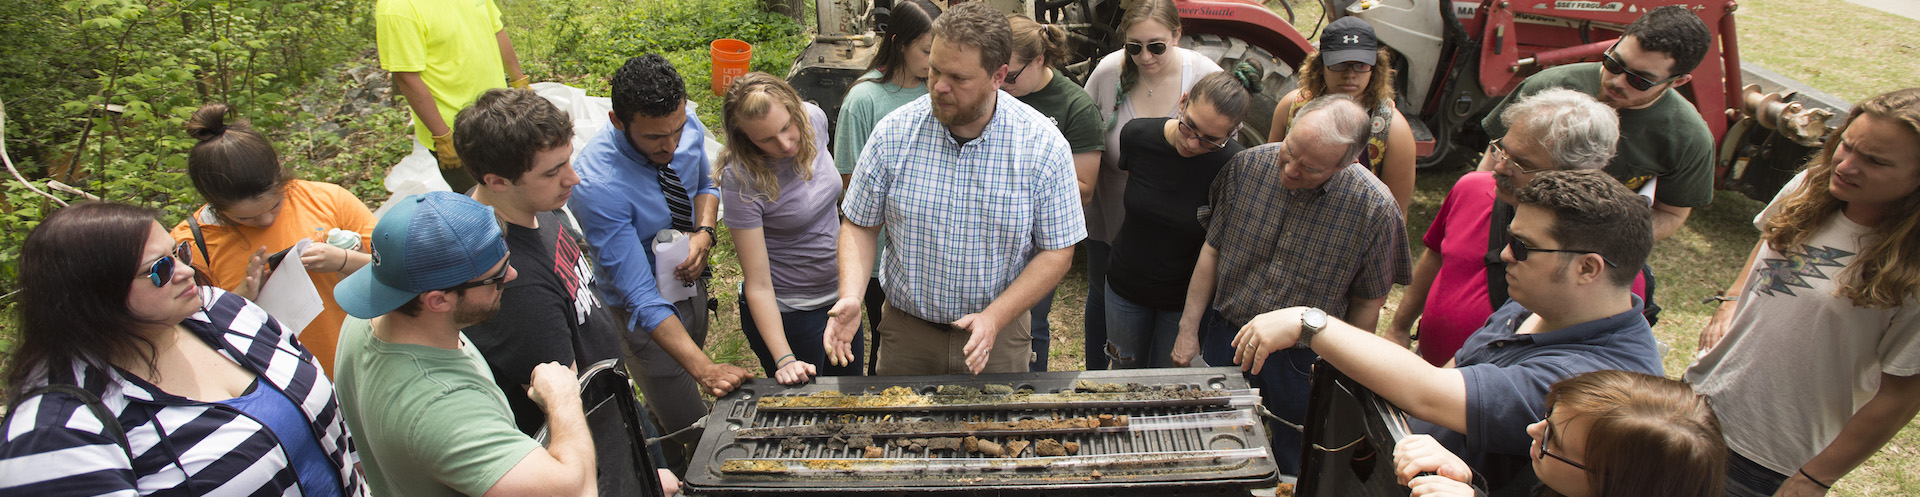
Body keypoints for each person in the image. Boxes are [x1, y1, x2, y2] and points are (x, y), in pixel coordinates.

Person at [1232, 169, 1662, 495]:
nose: (1504, 254)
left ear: (1587, 268)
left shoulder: (1597, 379)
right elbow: (1453, 369)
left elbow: (1430, 391)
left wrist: (1310, 323)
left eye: (1525, 248)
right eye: (1511, 237)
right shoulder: (1538, 304)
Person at [0, 202, 362, 496]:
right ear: (92, 297)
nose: (186, 272)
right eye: (159, 269)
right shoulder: (56, 431)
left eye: (179, 253)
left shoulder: (221, 310)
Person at [825, 1, 1085, 376]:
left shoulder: (1042, 146)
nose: (938, 87)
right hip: (906, 335)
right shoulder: (893, 133)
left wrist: (994, 318)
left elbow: (1058, 251)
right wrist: (850, 294)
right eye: (934, 69)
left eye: (958, 78)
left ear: (998, 76)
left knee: (994, 435)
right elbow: (859, 225)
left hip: (997, 338)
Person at [1687, 87, 1920, 497]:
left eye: (1875, 161)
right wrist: (1731, 300)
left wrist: (1815, 477)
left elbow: (1901, 396)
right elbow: (1770, 239)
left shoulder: (1913, 270)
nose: (1845, 166)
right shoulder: (1811, 185)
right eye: (1846, 146)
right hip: (1692, 406)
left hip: (1762, 458)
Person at [1177, 94, 1411, 473]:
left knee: (1295, 455)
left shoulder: (1374, 210)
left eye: (1311, 168)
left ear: (1347, 162)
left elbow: (1368, 304)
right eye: (1290, 151)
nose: (1290, 170)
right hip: (1229, 336)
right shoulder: (1247, 167)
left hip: (1305, 361)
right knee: (1216, 440)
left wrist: (1343, 378)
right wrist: (1188, 330)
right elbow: (1212, 251)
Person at [333, 192, 596, 497]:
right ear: (438, 300)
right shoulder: (441, 407)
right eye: (496, 276)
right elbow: (577, 491)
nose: (512, 275)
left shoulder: (367, 319)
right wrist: (563, 397)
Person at [570, 54, 751, 464]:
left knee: (667, 402)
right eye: (655, 138)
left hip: (689, 284)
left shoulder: (681, 126)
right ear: (618, 121)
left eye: (678, 128)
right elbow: (639, 294)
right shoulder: (597, 186)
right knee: (697, 427)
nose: (671, 144)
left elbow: (706, 181)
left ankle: (663, 457)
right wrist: (705, 369)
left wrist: (704, 232)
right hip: (644, 315)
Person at [1388, 89, 1618, 365]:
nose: (1499, 167)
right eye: (1501, 150)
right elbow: (1436, 257)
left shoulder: (1603, 254)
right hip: (1427, 370)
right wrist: (1399, 328)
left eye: (1521, 163)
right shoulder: (1470, 189)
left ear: (1571, 174)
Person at [453, 88, 623, 435]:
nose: (573, 178)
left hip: (612, 390)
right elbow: (573, 407)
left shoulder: (532, 205)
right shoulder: (514, 282)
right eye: (552, 172)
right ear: (497, 181)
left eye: (568, 160)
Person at [169, 103, 377, 376]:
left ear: (280, 173)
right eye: (246, 219)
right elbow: (188, 334)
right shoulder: (190, 245)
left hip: (363, 361)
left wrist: (345, 260)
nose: (266, 221)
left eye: (274, 206)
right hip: (281, 379)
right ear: (214, 204)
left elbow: (400, 267)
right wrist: (242, 297)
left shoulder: (327, 200)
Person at [1479, 5, 1714, 240]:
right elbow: (1491, 164)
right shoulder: (1546, 87)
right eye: (1614, 63)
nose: (1617, 82)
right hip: (1504, 220)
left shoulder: (1689, 137)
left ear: (1678, 81)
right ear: (1616, 43)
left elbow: (1671, 213)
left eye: (1639, 80)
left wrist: (1602, 238)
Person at [1081, 0, 1224, 370]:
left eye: (1156, 46)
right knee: (1103, 293)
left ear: (1178, 35)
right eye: (1134, 47)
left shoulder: (1204, 75)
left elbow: (1222, 152)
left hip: (1172, 231)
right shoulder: (1108, 72)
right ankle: (1098, 380)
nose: (1145, 57)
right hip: (1112, 212)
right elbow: (1081, 129)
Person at [716, 72, 863, 383]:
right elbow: (757, 284)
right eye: (766, 139)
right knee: (810, 419)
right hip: (791, 312)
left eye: (786, 128)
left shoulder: (815, 120)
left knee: (848, 397)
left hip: (840, 298)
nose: (784, 144)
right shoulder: (742, 178)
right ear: (745, 139)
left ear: (796, 110)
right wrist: (785, 358)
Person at [1103, 71, 1249, 369]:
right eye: (1189, 127)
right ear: (1183, 102)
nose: (1193, 144)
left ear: (1233, 132)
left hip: (1184, 301)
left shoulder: (1234, 165)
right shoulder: (1138, 135)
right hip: (1125, 286)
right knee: (1123, 372)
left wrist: (1189, 326)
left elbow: (1219, 246)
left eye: (1210, 140)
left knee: (1170, 385)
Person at [1392, 370, 1726, 497]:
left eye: (1553, 438)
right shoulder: (1559, 478)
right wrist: (1465, 484)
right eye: (1547, 416)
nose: (1532, 430)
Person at [833, 0, 942, 375]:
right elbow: (850, 184)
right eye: (927, 51)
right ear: (898, 43)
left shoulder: (938, 91)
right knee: (887, 342)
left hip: (934, 253)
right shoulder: (864, 101)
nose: (934, 62)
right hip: (882, 257)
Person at [1004, 14, 1105, 371]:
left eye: (1011, 75)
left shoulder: (1075, 107)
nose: (1001, 83)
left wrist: (1011, 183)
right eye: (995, 72)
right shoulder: (999, 91)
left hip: (1038, 244)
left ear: (1040, 60)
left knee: (1031, 322)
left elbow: (1085, 191)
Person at [376, 0, 529, 193]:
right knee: (488, 205)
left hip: (502, 113)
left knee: (528, 188)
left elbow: (496, 31)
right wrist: (442, 137)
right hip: (460, 133)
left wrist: (520, 82)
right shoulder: (398, 8)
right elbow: (407, 77)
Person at [1266, 17, 1415, 213]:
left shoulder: (1393, 130)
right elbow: (1269, 169)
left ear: (1375, 67)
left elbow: (1395, 213)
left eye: (1361, 65)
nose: (1350, 74)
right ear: (1320, 65)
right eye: (1340, 64)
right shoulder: (1292, 107)